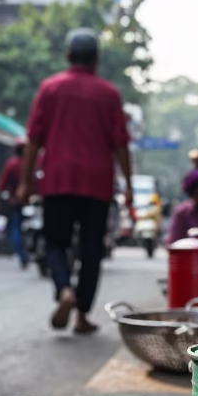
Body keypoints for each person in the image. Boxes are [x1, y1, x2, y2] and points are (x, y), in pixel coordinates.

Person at [17, 28, 132, 334]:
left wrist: (25, 182)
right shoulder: (109, 94)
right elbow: (121, 144)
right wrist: (130, 187)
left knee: (55, 243)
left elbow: (33, 140)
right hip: (97, 184)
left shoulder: (50, 88)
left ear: (68, 56)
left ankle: (64, 290)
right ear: (96, 59)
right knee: (92, 248)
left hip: (58, 180)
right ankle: (82, 314)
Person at [0, 142, 29, 268]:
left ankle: (23, 255)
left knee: (15, 229)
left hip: (17, 202)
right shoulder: (28, 163)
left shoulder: (13, 163)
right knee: (16, 229)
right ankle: (23, 255)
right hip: (23, 202)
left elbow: (2, 184)